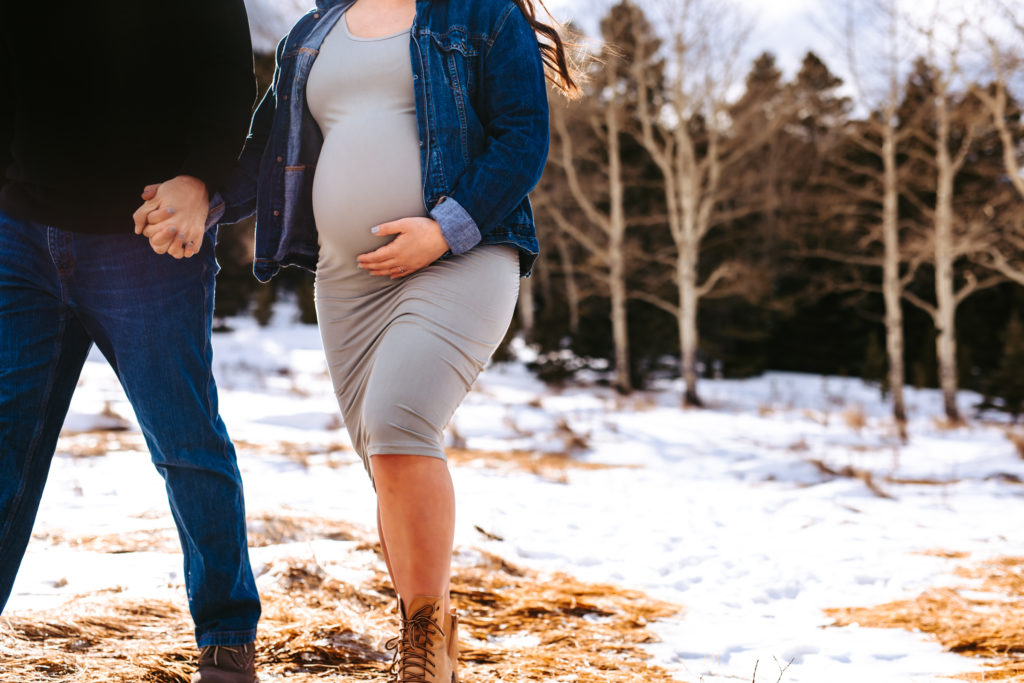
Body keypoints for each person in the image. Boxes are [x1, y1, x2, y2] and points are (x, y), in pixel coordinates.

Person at [142, 0, 577, 679]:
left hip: (462, 257)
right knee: (389, 461)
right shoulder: (312, 33)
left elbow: (521, 138)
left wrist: (445, 228)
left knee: (398, 425)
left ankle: (424, 654)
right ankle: (429, 632)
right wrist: (204, 197)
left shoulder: (481, 14)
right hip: (347, 283)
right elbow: (265, 154)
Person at [0, 4, 262, 682]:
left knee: (185, 441)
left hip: (145, 239)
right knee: (4, 439)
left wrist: (202, 179)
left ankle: (227, 637)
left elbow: (228, 76)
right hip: (19, 233)